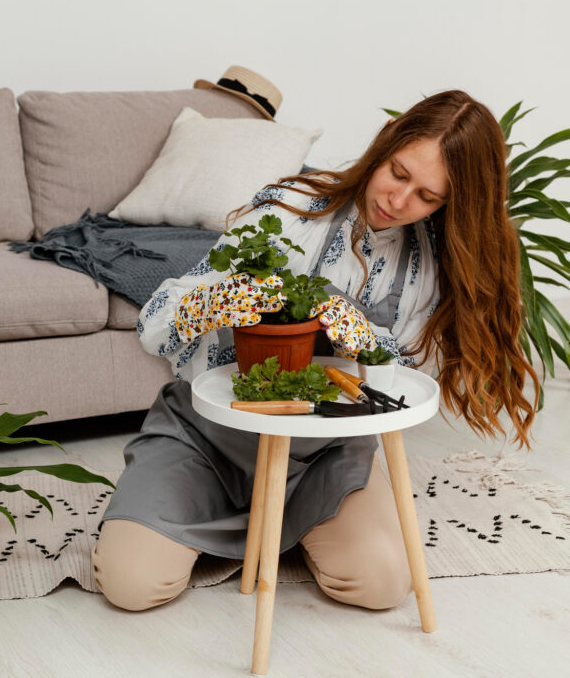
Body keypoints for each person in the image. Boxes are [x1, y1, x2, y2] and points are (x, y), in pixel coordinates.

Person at [91, 90, 539, 612]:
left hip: (327, 453)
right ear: (386, 142)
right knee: (131, 583)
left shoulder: (430, 264)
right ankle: (260, 526)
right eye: (398, 173)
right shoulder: (288, 208)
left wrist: (366, 342)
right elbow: (156, 324)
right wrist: (215, 302)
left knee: (381, 584)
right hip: (208, 439)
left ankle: (293, 523)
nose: (399, 202)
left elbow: (406, 375)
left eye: (427, 196)